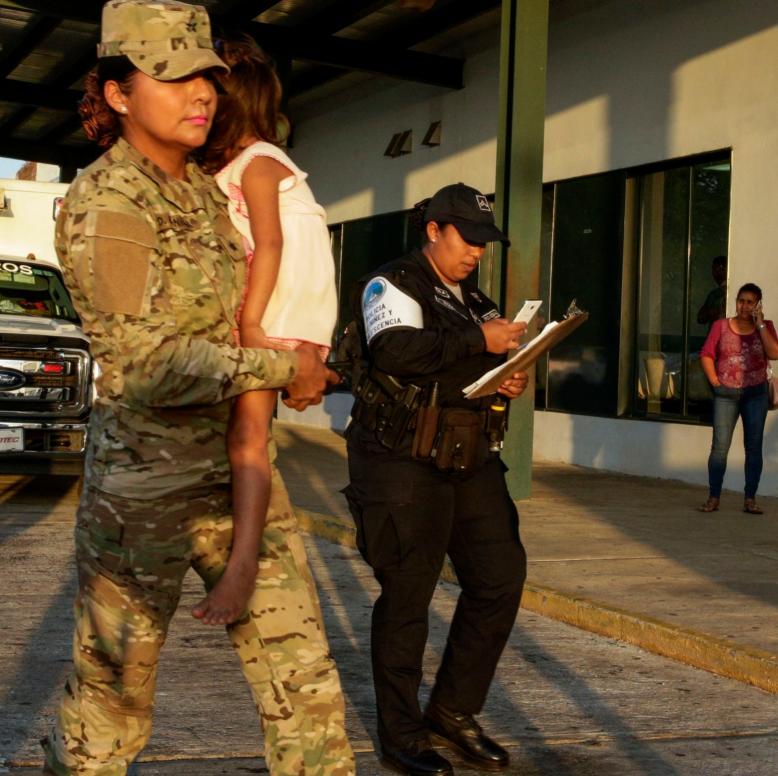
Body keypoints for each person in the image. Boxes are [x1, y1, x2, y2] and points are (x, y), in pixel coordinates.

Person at [42, 2, 354, 774]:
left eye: (208, 75)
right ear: (118, 94)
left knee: (304, 683)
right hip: (141, 496)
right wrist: (285, 369)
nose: (201, 92)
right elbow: (145, 361)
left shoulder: (208, 193)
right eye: (172, 75)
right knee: (112, 708)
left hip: (235, 473)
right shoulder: (110, 201)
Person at [341, 183, 530, 775]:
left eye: (483, 242)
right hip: (400, 460)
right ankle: (401, 734)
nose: (475, 251)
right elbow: (396, 350)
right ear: (433, 231)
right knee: (407, 598)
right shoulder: (391, 284)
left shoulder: (477, 300)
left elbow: (476, 364)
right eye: (466, 239)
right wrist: (482, 343)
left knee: (500, 577)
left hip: (467, 455)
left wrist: (506, 376)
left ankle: (451, 709)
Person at [193, 36, 339, 626]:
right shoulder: (256, 162)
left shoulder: (256, 163)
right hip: (292, 313)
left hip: (278, 313)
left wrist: (251, 322)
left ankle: (244, 565)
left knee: (247, 442)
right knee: (247, 439)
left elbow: (271, 243)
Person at [698, 282, 778, 514]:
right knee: (720, 447)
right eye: (741, 301)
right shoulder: (720, 326)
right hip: (726, 394)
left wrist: (760, 322)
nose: (744, 306)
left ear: (757, 305)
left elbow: (774, 353)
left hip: (756, 394)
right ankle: (714, 497)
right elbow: (706, 354)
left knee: (753, 447)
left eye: (749, 302)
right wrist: (715, 380)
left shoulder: (766, 326)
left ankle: (750, 499)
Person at [696, 255, 728, 325]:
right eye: (714, 269)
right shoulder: (714, 294)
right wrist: (710, 313)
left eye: (721, 269)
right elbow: (700, 318)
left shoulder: (734, 292)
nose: (715, 272)